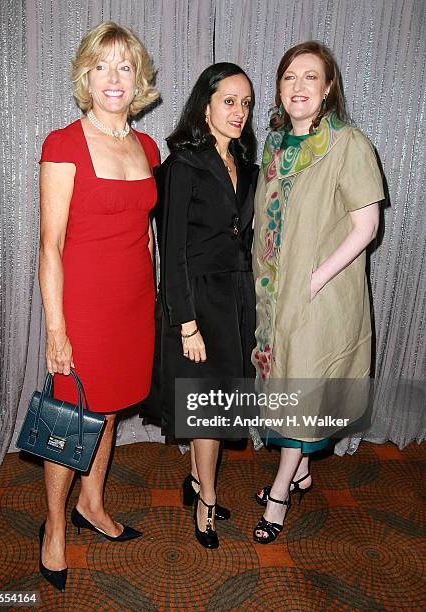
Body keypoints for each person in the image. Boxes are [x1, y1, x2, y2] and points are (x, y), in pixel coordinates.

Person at [38, 21, 159, 590]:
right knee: (71, 418)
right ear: (86, 76)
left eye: (125, 66)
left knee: (107, 407)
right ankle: (55, 527)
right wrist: (56, 328)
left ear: (139, 80)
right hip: (83, 307)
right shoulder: (63, 143)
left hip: (133, 305)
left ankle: (92, 503)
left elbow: (146, 234)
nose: (114, 78)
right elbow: (50, 244)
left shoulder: (147, 146)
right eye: (102, 66)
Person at [252, 41, 384, 544]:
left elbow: (366, 226)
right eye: (289, 77)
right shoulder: (274, 144)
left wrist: (314, 278)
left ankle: (282, 491)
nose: (298, 86)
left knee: (299, 395)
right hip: (273, 294)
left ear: (329, 88)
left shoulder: (347, 143)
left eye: (311, 77)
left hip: (318, 295)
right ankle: (303, 472)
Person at [153, 63, 258, 549]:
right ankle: (207, 501)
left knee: (212, 405)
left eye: (247, 103)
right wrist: (186, 323)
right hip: (197, 302)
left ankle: (197, 481)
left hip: (235, 299)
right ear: (207, 103)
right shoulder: (181, 165)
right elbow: (171, 249)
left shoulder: (245, 162)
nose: (240, 111)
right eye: (230, 100)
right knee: (209, 411)